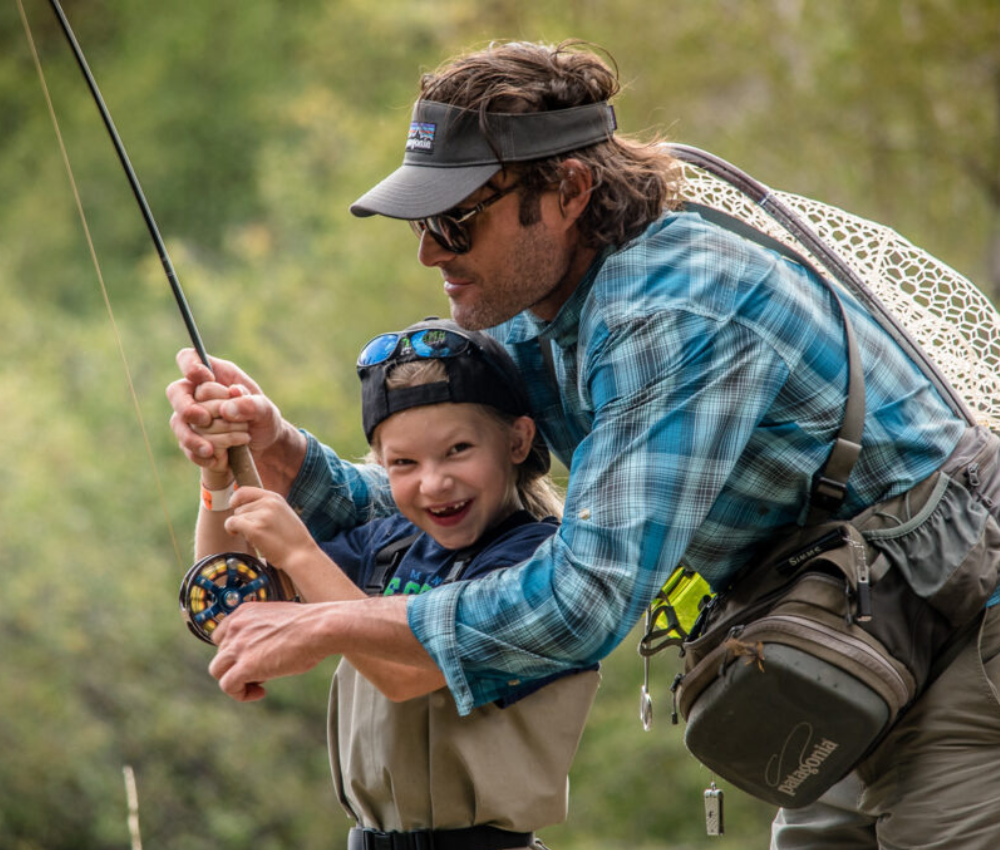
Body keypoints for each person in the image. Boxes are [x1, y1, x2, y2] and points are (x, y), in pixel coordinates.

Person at [167, 40, 1000, 848]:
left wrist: (334, 622)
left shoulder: (670, 315)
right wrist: (275, 446)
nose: (429, 252)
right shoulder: (545, 308)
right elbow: (450, 494)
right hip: (856, 639)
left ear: (566, 189)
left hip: (962, 634)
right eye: (420, 222)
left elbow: (584, 602)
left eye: (456, 220)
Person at [189, 317, 598, 850]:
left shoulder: (538, 563)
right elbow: (229, 598)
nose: (434, 482)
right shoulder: (387, 544)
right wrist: (217, 474)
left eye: (458, 450)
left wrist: (299, 551)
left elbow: (407, 672)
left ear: (518, 440)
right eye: (404, 462)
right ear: (382, 464)